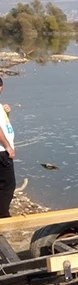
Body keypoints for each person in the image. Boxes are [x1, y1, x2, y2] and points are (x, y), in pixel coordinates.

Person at [0, 77, 15, 218]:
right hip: (2, 152)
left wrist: (7, 113)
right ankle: (3, 216)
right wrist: (8, 146)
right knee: (8, 186)